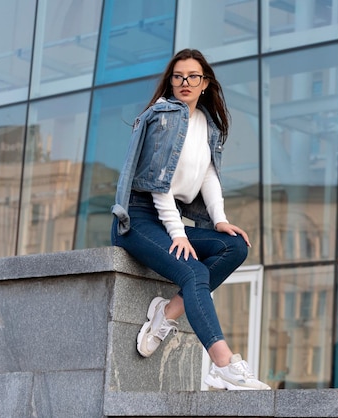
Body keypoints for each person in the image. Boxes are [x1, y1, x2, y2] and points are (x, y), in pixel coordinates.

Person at [111, 48, 270, 391]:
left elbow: (210, 176)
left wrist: (220, 220)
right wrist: (177, 234)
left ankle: (167, 313)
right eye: (178, 76)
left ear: (205, 83)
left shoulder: (207, 126)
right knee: (195, 270)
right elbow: (158, 183)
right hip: (139, 219)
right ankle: (224, 364)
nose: (185, 82)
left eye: (193, 77)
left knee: (235, 246)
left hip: (170, 221)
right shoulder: (163, 117)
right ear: (171, 81)